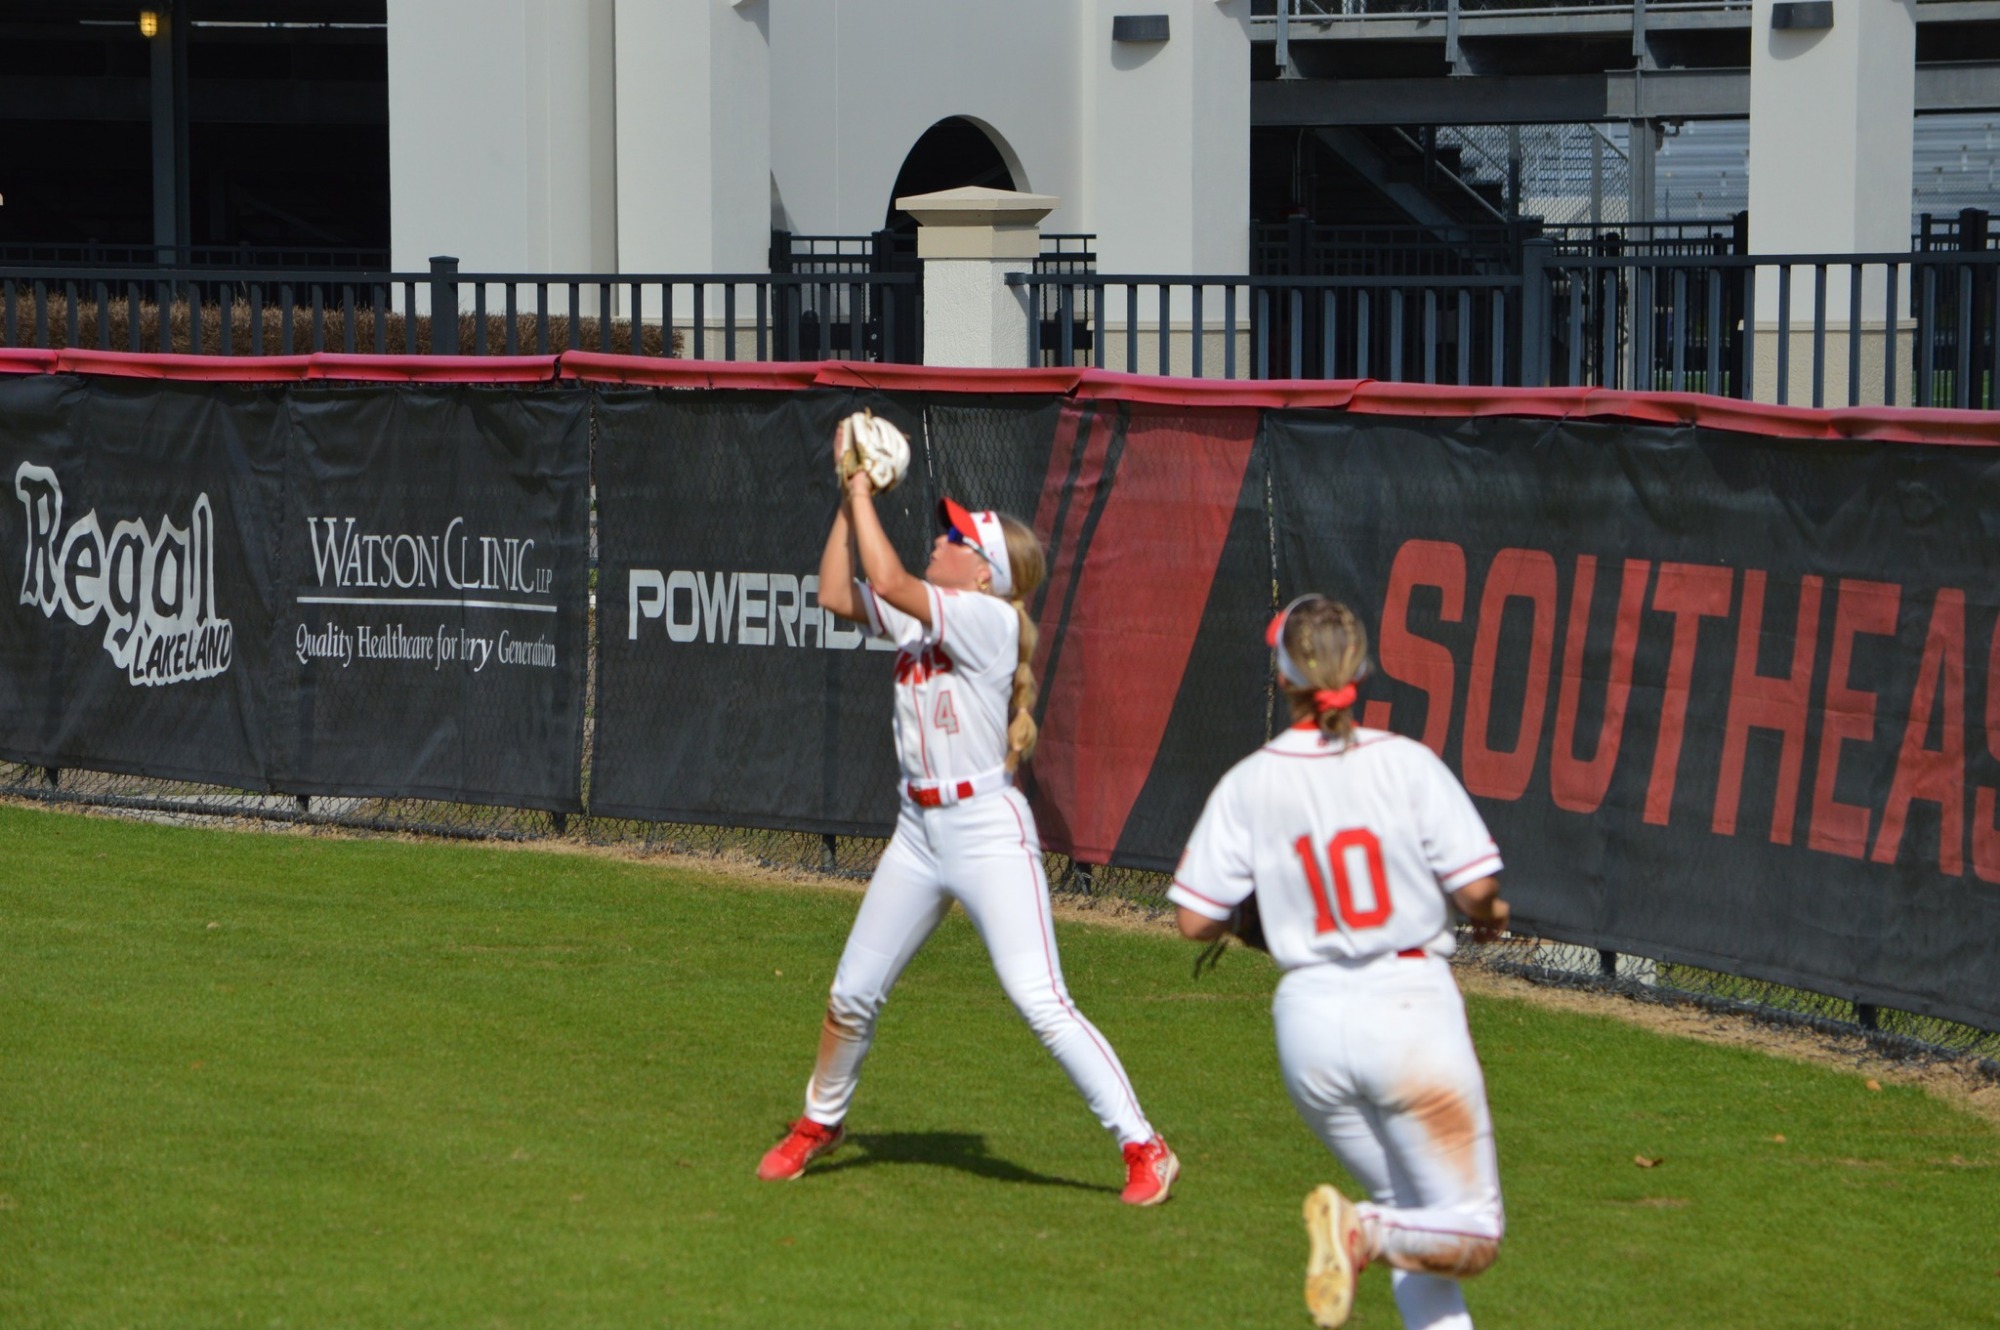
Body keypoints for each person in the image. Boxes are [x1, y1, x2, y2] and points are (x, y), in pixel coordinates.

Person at [755, 450, 1178, 1206]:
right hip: (918, 829)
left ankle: (1145, 1144)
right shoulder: (927, 621)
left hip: (985, 828)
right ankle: (822, 1121)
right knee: (853, 991)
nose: (941, 541)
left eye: (957, 540)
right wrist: (843, 498)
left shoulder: (983, 620)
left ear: (985, 573)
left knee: (1040, 998)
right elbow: (833, 593)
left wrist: (860, 489)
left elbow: (883, 581)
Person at [1169, 594, 1510, 1329]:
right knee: (1470, 1232)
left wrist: (1257, 920)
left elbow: (1194, 918)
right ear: (1359, 669)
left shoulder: (1251, 780)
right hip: (1410, 1009)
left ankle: (1375, 1233)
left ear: (1282, 674)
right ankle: (1363, 1232)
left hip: (1310, 1025)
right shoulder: (1405, 763)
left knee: (1419, 1220)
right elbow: (1479, 889)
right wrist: (1492, 917)